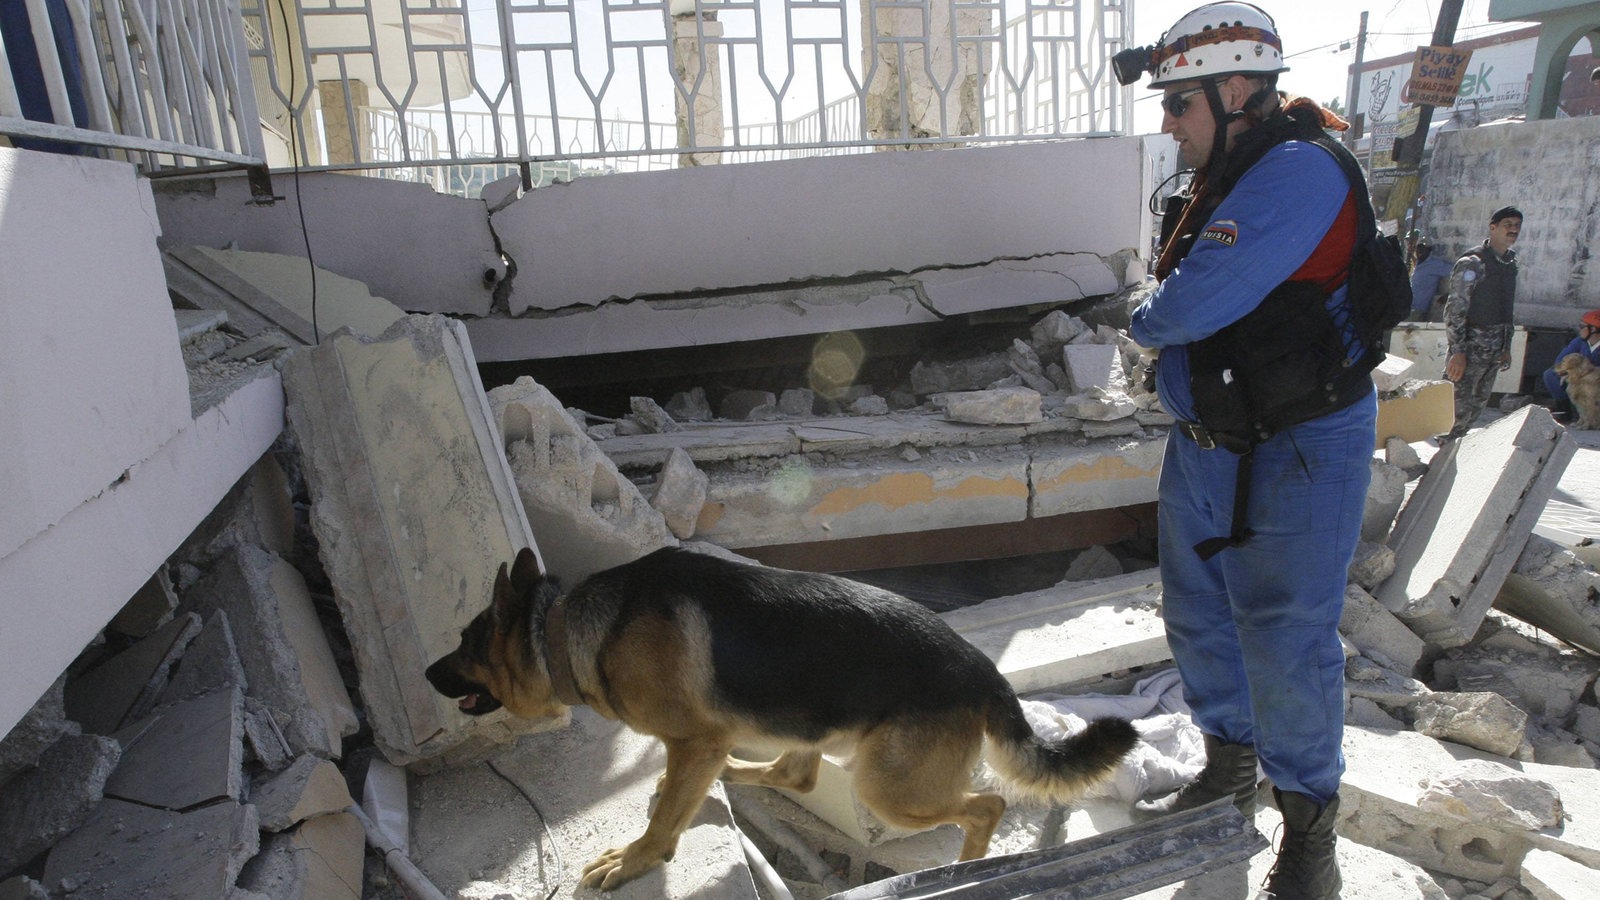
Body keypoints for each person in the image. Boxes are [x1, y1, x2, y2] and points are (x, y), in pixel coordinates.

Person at [1116, 5, 1374, 898]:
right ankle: (1228, 770)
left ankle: (1310, 837)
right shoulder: (1227, 173)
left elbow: (1183, 307)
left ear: (1236, 91)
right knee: (1196, 614)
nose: (1168, 123)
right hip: (1208, 444)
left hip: (1302, 446)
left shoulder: (1298, 171)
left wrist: (1144, 319)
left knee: (1288, 637)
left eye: (1179, 104)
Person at [1441, 206, 1522, 440]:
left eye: (1517, 226)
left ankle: (1452, 463)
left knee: (1475, 411)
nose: (1513, 230)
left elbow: (1506, 308)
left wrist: (1506, 347)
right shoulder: (1473, 263)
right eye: (1508, 225)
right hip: (1469, 351)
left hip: (1493, 353)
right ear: (1493, 227)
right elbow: (1455, 308)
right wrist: (1457, 351)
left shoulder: (1510, 263)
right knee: (1453, 413)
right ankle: (1439, 466)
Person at [1541, 309, 1600, 420]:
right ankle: (1566, 409)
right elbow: (1560, 361)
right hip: (1577, 376)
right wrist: (1567, 373)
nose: (1579, 330)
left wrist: (1586, 374)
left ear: (1593, 329)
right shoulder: (1579, 342)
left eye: (1582, 327)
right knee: (1550, 375)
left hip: (1595, 381)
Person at [1408, 239, 1453, 321]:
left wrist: (1450, 293)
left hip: (1418, 309)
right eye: (1418, 248)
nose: (1420, 251)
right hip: (1409, 307)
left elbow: (1455, 270)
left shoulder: (1434, 264)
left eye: (1423, 248)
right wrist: (1411, 254)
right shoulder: (1420, 263)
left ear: (1429, 250)